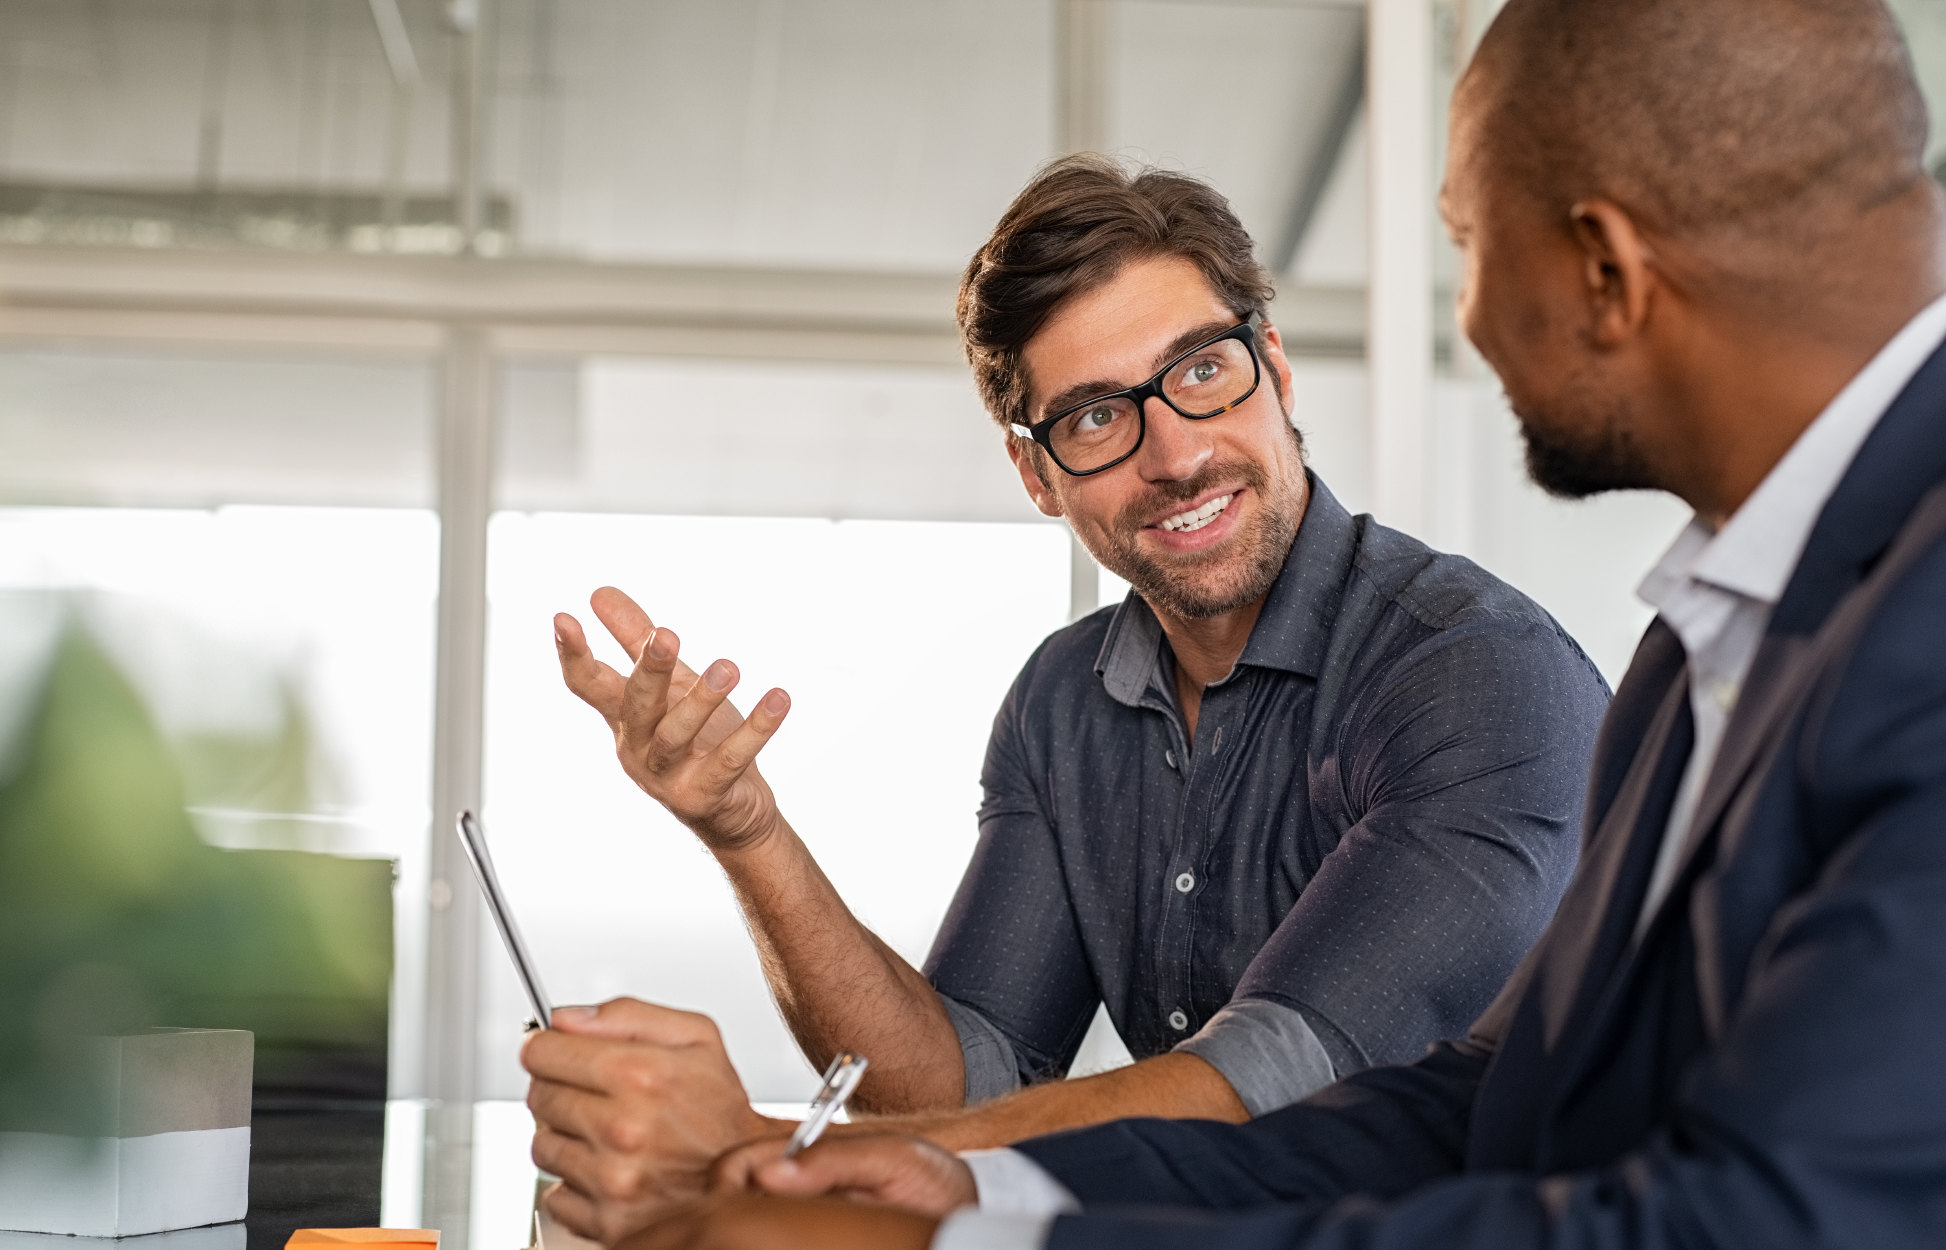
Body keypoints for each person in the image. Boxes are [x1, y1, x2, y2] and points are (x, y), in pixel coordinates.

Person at [613, 0, 1946, 1246]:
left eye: (1468, 244)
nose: (1470, 317)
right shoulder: (1703, 639)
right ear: (1038, 470)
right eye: (1093, 417)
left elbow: (1751, 1219)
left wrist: (876, 1197)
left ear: (1600, 266)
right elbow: (1472, 1104)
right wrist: (964, 1189)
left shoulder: (1527, 664)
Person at [524, 160, 1609, 1239]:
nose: (1176, 453)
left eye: (1200, 372)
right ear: (1034, 472)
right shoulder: (1062, 699)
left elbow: (1265, 1079)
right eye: (1095, 418)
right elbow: (951, 1088)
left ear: (1271, 367)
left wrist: (750, 1158)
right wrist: (745, 828)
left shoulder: (1473, 671)